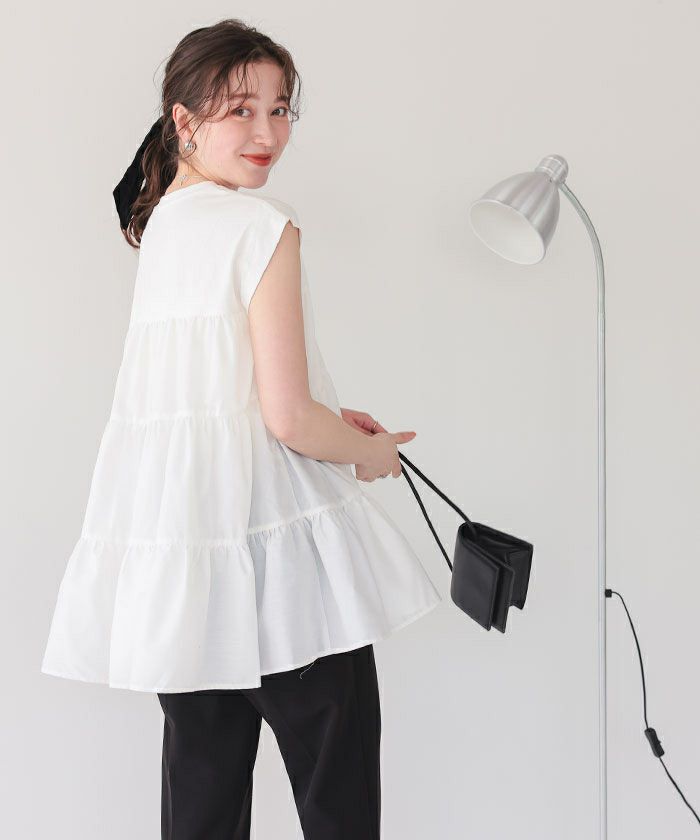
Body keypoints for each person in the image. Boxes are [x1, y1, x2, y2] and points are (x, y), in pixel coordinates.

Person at [41, 17, 442, 839]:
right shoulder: (261, 225)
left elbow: (215, 394)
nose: (268, 134)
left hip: (187, 571)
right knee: (338, 807)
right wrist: (367, 453)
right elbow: (288, 418)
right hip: (280, 571)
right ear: (183, 120)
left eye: (281, 109)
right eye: (241, 110)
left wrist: (332, 418)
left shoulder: (163, 225)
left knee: (200, 809)